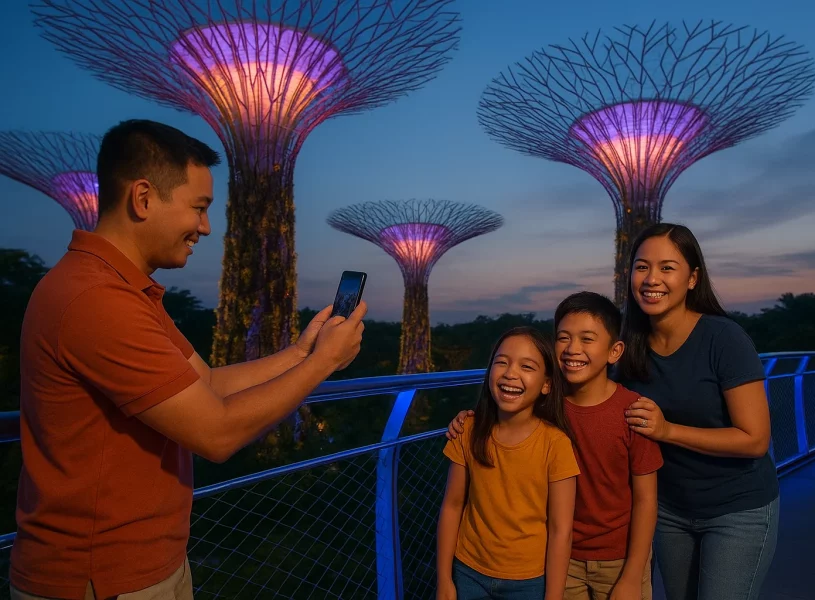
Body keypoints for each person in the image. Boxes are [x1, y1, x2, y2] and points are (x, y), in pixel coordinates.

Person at [10, 119, 366, 600]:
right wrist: (321, 365)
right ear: (143, 199)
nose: (205, 226)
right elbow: (216, 433)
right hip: (100, 577)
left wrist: (301, 353)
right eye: (198, 208)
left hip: (143, 565)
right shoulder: (95, 300)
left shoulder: (126, 292)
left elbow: (210, 384)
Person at [448, 293, 662, 600]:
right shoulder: (545, 404)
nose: (573, 348)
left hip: (618, 558)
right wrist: (466, 418)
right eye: (563, 337)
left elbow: (646, 501)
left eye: (587, 339)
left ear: (614, 351)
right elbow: (505, 416)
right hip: (562, 557)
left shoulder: (633, 412)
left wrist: (632, 574)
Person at [620, 223, 779, 600]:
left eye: (667, 268)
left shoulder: (724, 339)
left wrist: (667, 431)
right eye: (641, 267)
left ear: (692, 278)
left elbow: (755, 440)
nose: (651, 279)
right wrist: (480, 420)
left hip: (737, 510)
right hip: (668, 509)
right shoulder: (628, 346)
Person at [436, 327, 580, 600]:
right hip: (468, 571)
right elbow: (452, 506)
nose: (511, 373)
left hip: (529, 581)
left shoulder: (556, 444)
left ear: (547, 384)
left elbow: (562, 530)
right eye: (501, 362)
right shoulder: (467, 430)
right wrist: (444, 578)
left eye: (527, 366)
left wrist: (553, 596)